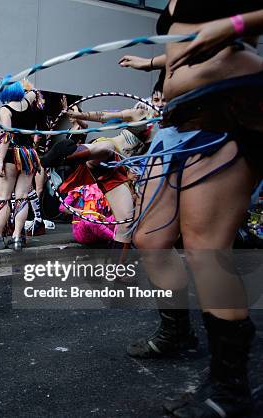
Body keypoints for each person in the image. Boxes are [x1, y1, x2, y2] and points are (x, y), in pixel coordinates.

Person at [118, 3, 263, 416]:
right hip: (175, 123)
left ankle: (230, 390)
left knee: (206, 248)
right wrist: (153, 62)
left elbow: (217, 33)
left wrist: (234, 22)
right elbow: (191, 40)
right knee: (150, 238)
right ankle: (177, 333)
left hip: (223, 109)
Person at [41, 83, 165, 252]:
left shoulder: (166, 129)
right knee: (108, 147)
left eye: (165, 100)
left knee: (126, 223)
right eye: (156, 99)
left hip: (117, 171)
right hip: (105, 152)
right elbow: (106, 115)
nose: (160, 104)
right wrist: (79, 114)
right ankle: (64, 154)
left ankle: (118, 271)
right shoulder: (141, 113)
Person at [0, 76, 42, 251]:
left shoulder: (5, 109)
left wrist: (0, 162)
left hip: (12, 155)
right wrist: (25, 81)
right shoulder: (29, 102)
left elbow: (6, 137)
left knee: (4, 199)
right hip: (29, 154)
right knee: (22, 197)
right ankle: (16, 238)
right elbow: (34, 92)